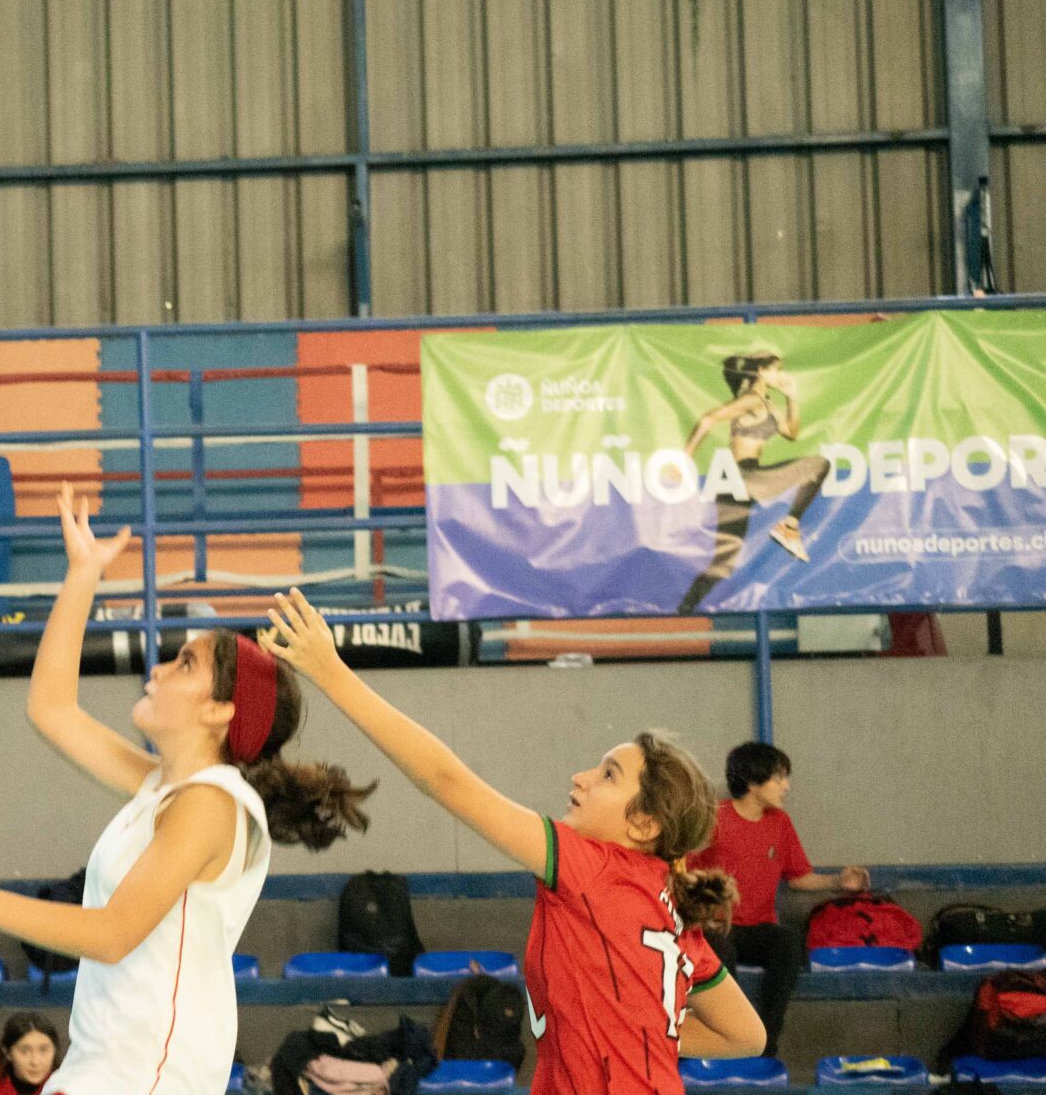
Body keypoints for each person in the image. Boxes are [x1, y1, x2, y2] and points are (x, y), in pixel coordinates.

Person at [0, 485, 372, 1095]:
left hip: (151, 1076)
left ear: (220, 713)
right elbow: (50, 708)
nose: (157, 669)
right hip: (105, 1069)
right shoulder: (167, 788)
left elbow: (109, 935)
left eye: (185, 664)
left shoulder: (211, 805)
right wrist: (82, 576)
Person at [260, 589, 766, 1094]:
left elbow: (445, 779)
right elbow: (745, 1035)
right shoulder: (670, 906)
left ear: (645, 825)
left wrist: (329, 670)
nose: (581, 777)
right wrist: (637, 1038)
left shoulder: (590, 867)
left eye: (609, 775)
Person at [688, 742, 870, 1056]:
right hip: (716, 927)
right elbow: (682, 875)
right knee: (719, 948)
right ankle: (721, 1044)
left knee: (788, 943)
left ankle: (764, 1045)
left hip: (759, 927)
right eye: (779, 778)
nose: (787, 786)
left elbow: (799, 877)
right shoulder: (714, 818)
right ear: (752, 781)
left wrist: (838, 882)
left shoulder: (780, 823)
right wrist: (699, 914)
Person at [677, 352, 831, 614]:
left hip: (736, 483)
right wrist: (683, 459)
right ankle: (789, 525)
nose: (781, 375)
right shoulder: (751, 399)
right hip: (742, 476)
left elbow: (791, 433)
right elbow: (707, 419)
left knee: (723, 565)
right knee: (819, 466)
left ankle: (683, 609)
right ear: (761, 372)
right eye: (776, 370)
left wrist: (792, 396)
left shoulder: (767, 403)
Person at [0, 1013, 63, 1095]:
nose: (35, 1062)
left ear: (55, 1050)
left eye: (43, 1050)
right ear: (7, 1053)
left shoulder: (66, 1088)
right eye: (24, 1052)